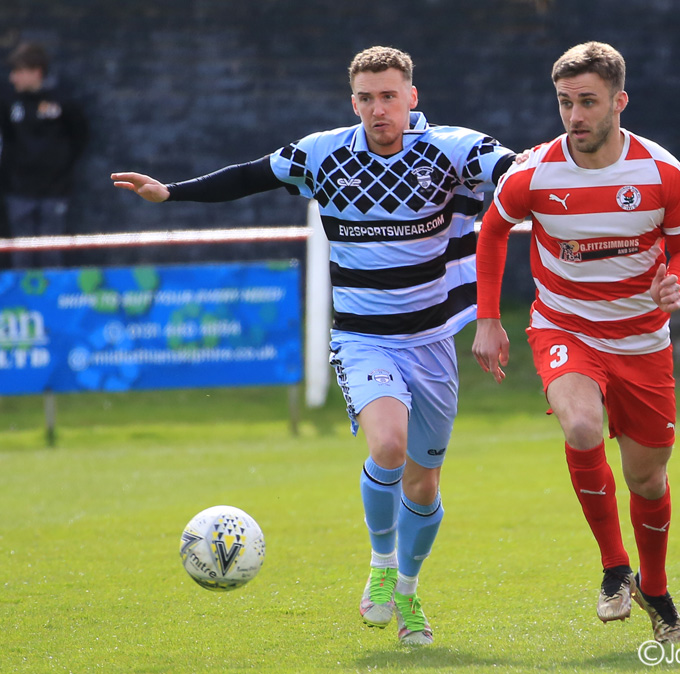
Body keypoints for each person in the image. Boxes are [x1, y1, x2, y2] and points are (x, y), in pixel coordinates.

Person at [111, 46, 515, 646]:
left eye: (389, 96)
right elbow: (250, 176)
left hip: (431, 341)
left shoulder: (454, 150)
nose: (378, 109)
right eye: (366, 98)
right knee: (389, 447)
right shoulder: (323, 154)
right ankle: (381, 568)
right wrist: (172, 193)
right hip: (361, 339)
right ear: (353, 102)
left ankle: (407, 591)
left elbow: (521, 171)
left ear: (412, 97)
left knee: (425, 486)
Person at [472, 41, 680, 644]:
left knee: (647, 479)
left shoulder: (660, 171)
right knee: (579, 426)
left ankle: (654, 586)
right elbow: (492, 233)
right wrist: (488, 319)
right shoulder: (534, 173)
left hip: (643, 341)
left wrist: (675, 283)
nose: (574, 116)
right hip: (565, 327)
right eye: (565, 102)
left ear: (619, 102)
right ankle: (613, 567)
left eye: (588, 102)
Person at [0, 42, 89, 269]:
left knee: (51, 252)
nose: (13, 78)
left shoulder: (63, 101)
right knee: (21, 252)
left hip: (55, 190)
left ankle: (50, 302)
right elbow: (7, 139)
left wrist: (61, 169)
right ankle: (23, 305)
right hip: (18, 191)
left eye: (18, 72)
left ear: (36, 72)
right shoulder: (9, 103)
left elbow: (79, 137)